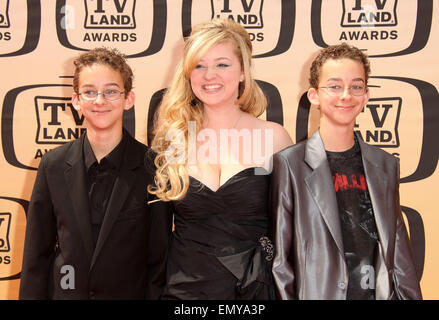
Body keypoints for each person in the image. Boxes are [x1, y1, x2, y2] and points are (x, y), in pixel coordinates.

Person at [148, 18, 293, 299]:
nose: (209, 75)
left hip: (254, 292)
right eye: (199, 65)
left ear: (242, 72)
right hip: (184, 295)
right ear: (188, 74)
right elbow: (156, 238)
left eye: (222, 64)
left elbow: (292, 232)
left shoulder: (271, 138)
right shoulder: (175, 141)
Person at [270, 43, 422, 300]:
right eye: (334, 86)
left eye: (356, 86)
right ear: (314, 95)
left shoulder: (385, 164)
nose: (346, 95)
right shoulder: (290, 164)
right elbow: (281, 262)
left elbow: (397, 249)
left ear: (366, 96)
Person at [19, 47, 172, 299]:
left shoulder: (153, 167)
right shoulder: (52, 165)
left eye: (111, 91)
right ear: (76, 100)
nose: (100, 101)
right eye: (90, 92)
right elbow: (37, 255)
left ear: (128, 99)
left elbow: (159, 259)